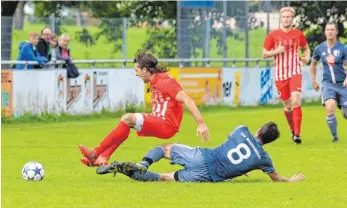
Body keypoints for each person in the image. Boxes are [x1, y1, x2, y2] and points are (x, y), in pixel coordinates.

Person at [79, 51, 211, 167]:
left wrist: (201, 123)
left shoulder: (165, 82)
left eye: (137, 70)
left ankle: (95, 153)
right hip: (161, 122)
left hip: (166, 124)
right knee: (125, 123)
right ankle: (102, 157)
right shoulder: (158, 78)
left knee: (127, 118)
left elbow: (187, 99)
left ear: (146, 69)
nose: (136, 74)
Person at [96, 122, 305, 183]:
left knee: (165, 148)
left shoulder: (242, 130)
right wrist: (290, 180)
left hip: (205, 156)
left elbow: (232, 134)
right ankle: (127, 171)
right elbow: (277, 179)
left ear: (258, 130)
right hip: (208, 176)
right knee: (164, 178)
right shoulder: (263, 158)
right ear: (269, 141)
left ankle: (143, 163)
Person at [262, 7, 311, 144]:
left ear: (292, 18)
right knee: (288, 106)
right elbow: (265, 53)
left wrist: (307, 57)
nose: (286, 19)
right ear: (281, 19)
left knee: (296, 100)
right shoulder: (273, 35)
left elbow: (306, 47)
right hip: (280, 74)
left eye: (289, 17)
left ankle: (297, 134)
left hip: (295, 71)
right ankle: (292, 129)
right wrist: (277, 50)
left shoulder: (298, 34)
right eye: (284, 17)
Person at [310, 22, 347, 142]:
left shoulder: (343, 48)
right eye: (328, 30)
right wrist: (314, 80)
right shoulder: (319, 48)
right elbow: (313, 64)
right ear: (325, 32)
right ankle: (335, 137)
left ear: (336, 32)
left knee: (346, 112)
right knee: (330, 107)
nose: (330, 32)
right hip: (328, 84)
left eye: (332, 29)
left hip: (343, 84)